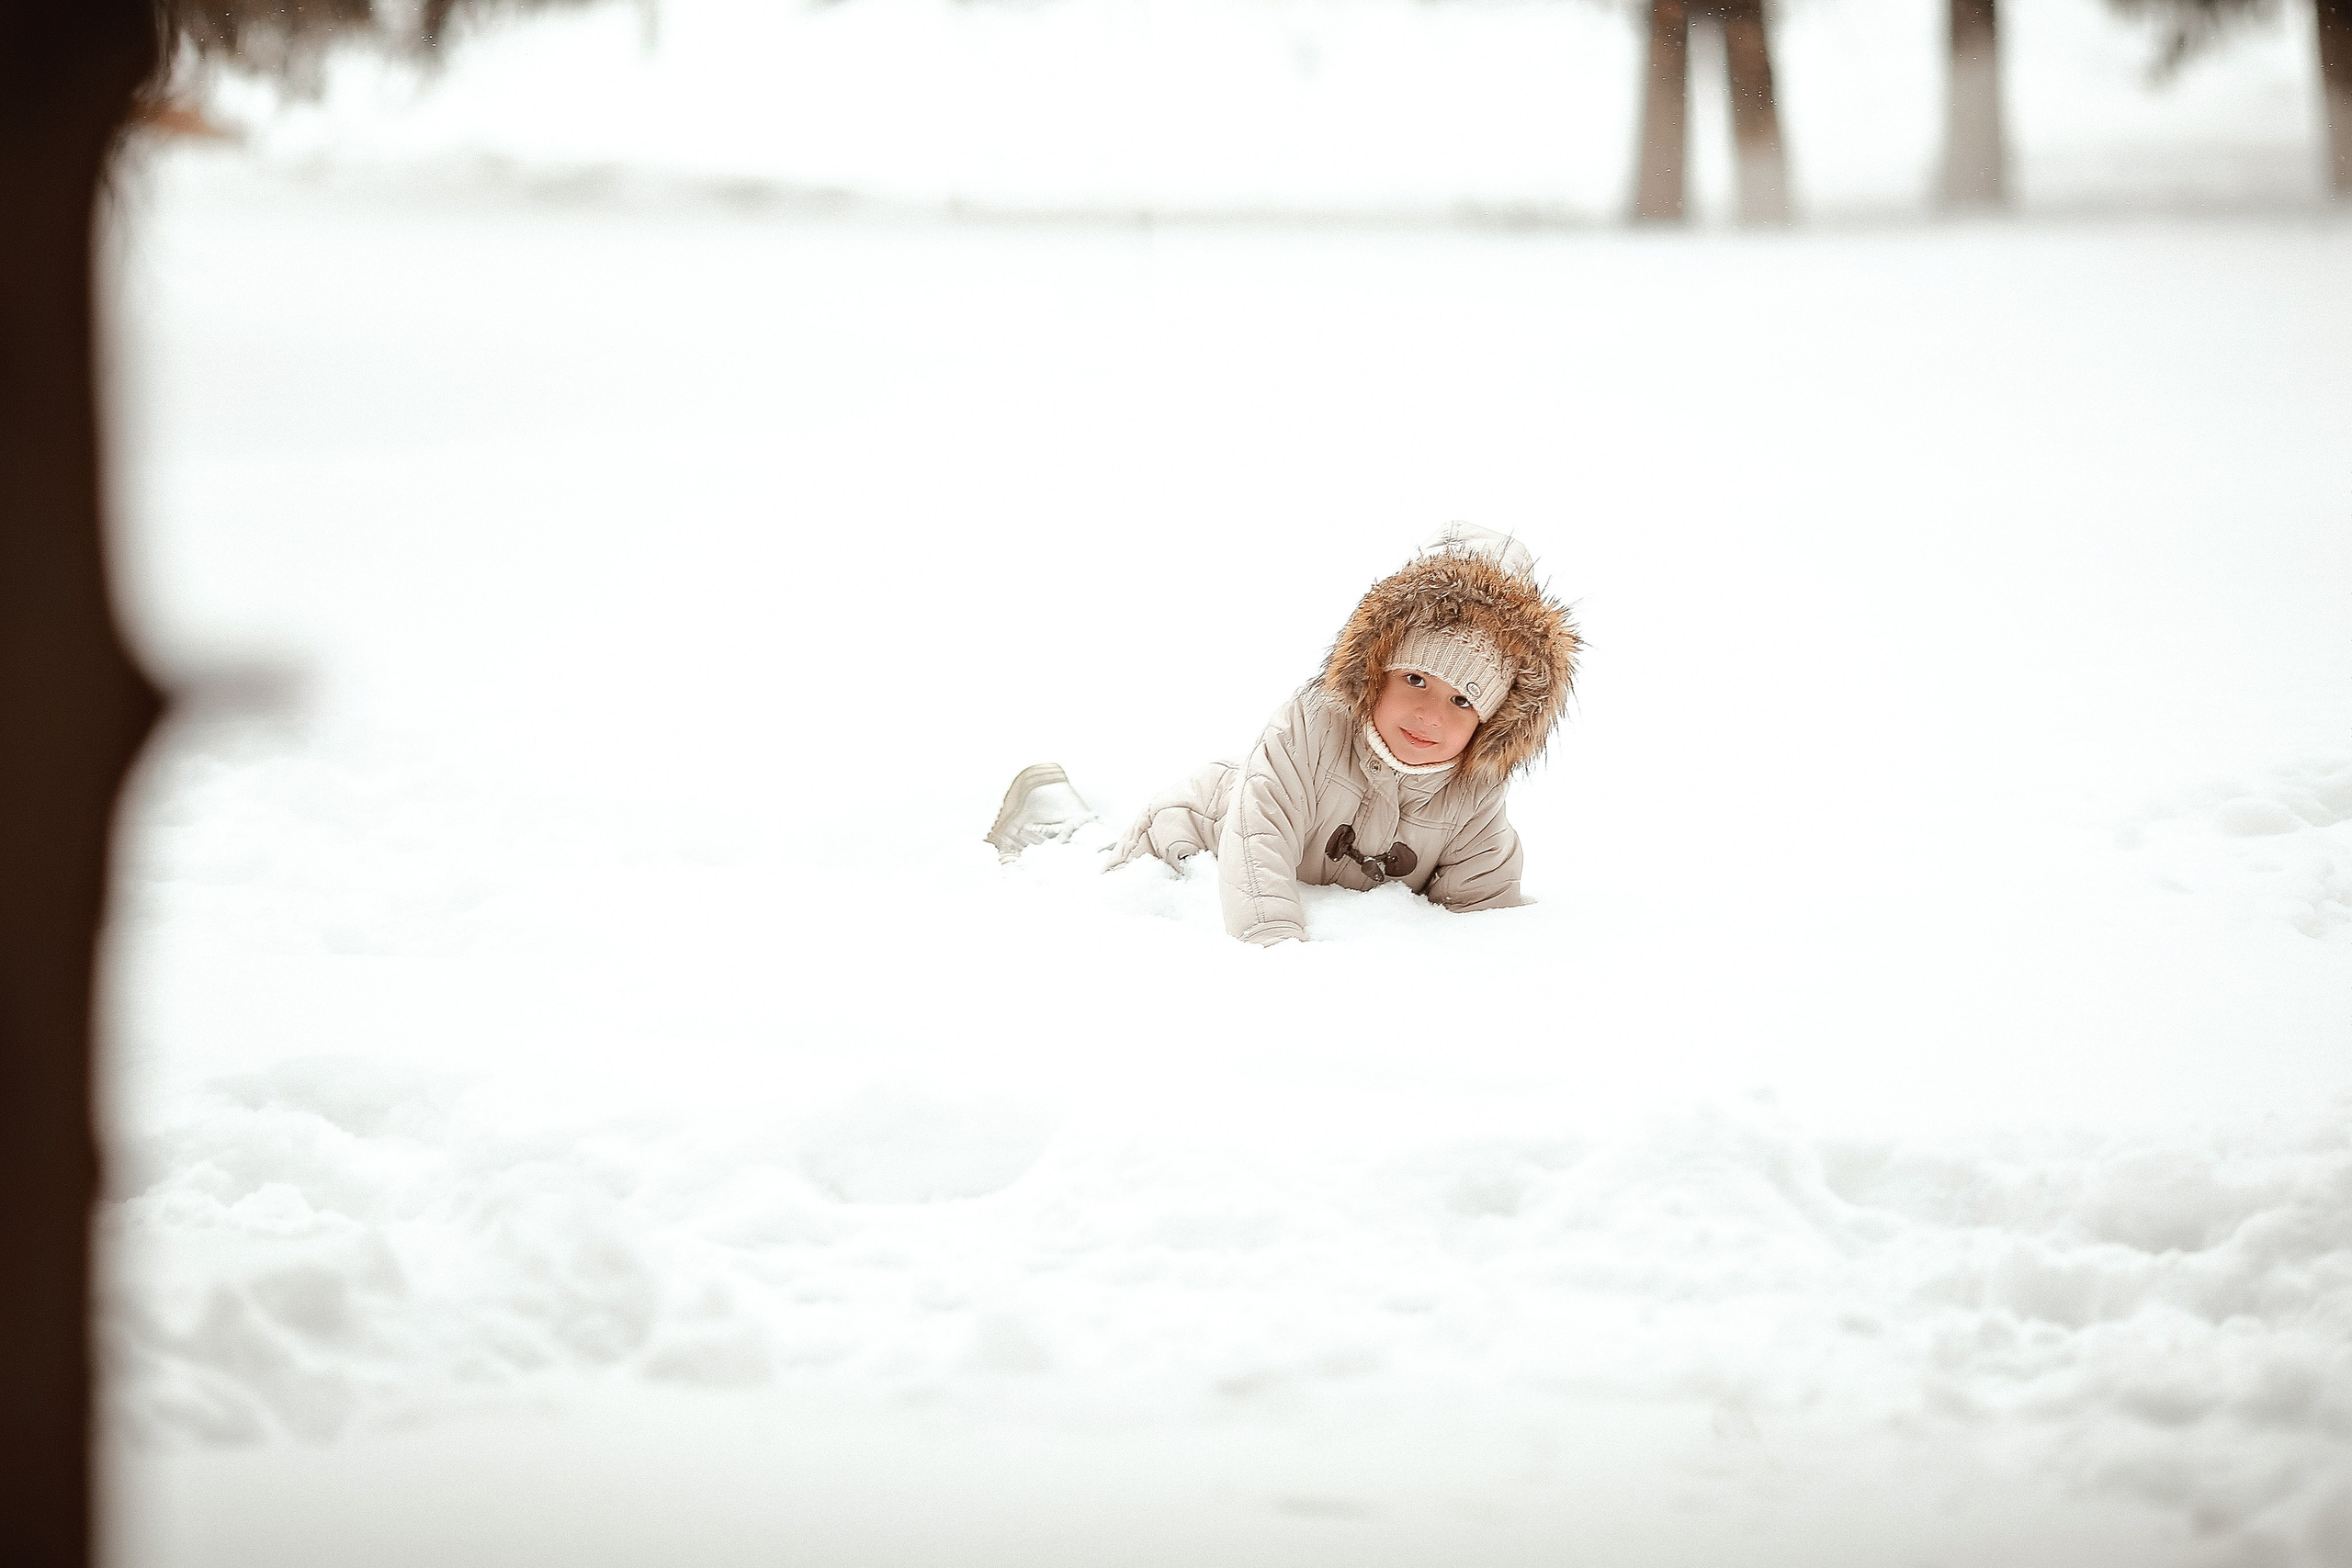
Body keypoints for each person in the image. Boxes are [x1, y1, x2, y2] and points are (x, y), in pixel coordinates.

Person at [987, 524, 1580, 945]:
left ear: (1493, 720)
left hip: (1294, 872)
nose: (1429, 714)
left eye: (1461, 699)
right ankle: (1054, 824)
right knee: (1096, 888)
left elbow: (1486, 910)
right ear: (1375, 668)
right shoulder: (1311, 725)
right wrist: (1275, 951)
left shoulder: (1474, 790)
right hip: (1201, 836)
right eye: (1417, 678)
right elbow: (1258, 840)